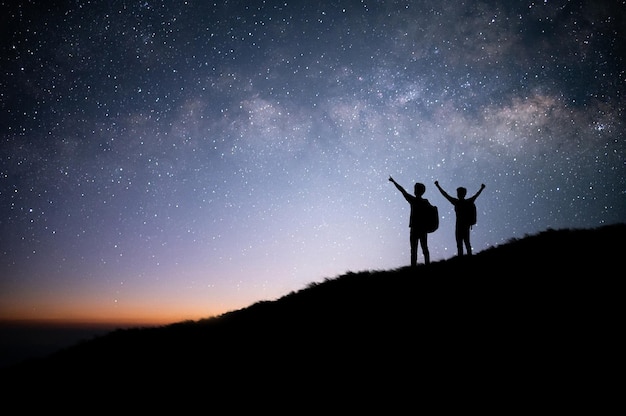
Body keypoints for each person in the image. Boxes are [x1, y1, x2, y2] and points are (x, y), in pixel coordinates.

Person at [434, 181, 485, 257]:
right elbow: (476, 195)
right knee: (465, 243)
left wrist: (438, 186)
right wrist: (481, 188)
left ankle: (462, 259)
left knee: (461, 243)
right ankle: (468, 257)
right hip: (464, 225)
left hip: (460, 225)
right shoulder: (467, 201)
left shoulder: (457, 202)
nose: (458, 194)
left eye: (459, 193)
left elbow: (445, 195)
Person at [389, 176, 431, 266]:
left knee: (415, 249)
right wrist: (394, 181)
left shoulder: (415, 200)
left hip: (416, 228)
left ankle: (414, 267)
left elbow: (402, 191)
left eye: (416, 189)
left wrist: (393, 181)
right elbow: (402, 190)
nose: (414, 190)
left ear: (419, 191)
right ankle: (425, 265)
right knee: (421, 248)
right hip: (421, 228)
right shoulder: (425, 202)